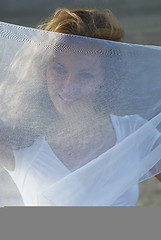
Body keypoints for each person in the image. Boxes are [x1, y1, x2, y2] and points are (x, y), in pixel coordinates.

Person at [0, 8, 161, 206]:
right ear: (43, 69)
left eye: (85, 75)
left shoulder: (134, 134)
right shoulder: (17, 137)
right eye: (59, 69)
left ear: (106, 79)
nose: (69, 87)